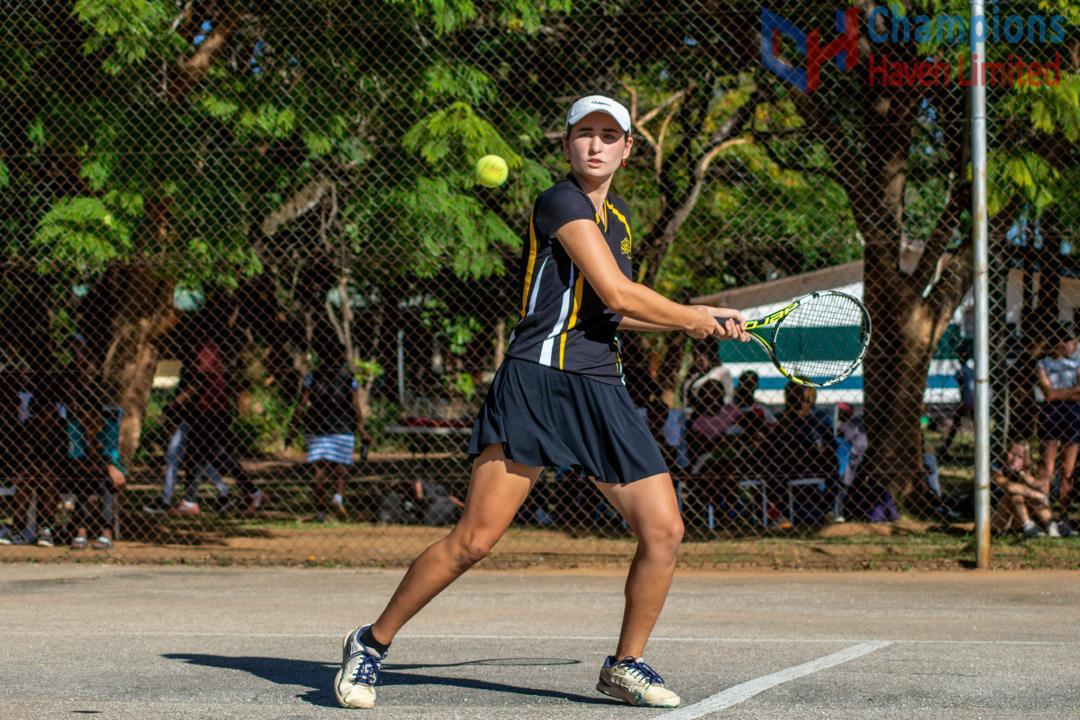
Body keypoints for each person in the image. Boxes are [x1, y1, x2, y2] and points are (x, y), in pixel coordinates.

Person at [332, 94, 747, 710]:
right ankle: (370, 642)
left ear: (628, 150)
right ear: (567, 144)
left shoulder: (619, 221)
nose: (596, 145)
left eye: (610, 135)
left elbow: (612, 312)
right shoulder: (560, 202)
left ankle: (625, 665)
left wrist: (698, 319)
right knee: (474, 541)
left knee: (664, 530)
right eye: (585, 133)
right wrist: (690, 316)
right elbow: (619, 292)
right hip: (535, 382)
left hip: (599, 388)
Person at [288, 332, 370, 522]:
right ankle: (337, 498)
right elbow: (355, 405)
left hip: (317, 426)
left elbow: (302, 403)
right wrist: (361, 429)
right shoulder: (348, 377)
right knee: (340, 468)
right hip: (343, 426)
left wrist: (293, 427)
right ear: (340, 356)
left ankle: (320, 512)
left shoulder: (313, 376)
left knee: (319, 470)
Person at [1034, 324, 1080, 537]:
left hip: (1073, 414)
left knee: (1067, 470)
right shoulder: (1043, 363)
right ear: (1060, 343)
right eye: (1072, 342)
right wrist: (1071, 392)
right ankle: (1045, 516)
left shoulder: (1076, 363)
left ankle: (1064, 516)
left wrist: (1058, 393)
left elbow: (1057, 392)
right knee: (1047, 467)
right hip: (1051, 413)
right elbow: (1048, 394)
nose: (1074, 347)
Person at [992, 440, 1060, 538]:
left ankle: (1050, 526)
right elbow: (1010, 486)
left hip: (1020, 519)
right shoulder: (996, 467)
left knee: (1028, 496)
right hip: (999, 519)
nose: (1014, 459)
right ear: (1006, 453)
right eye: (1012, 454)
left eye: (1020, 457)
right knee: (1015, 494)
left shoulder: (1028, 470)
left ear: (1025, 460)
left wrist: (1025, 476)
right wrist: (1039, 495)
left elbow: (1041, 485)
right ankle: (1028, 526)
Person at [939, 342, 974, 462]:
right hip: (973, 402)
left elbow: (963, 389)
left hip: (967, 402)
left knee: (955, 426)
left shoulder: (963, 371)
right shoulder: (970, 369)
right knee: (959, 425)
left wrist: (962, 403)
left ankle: (945, 448)